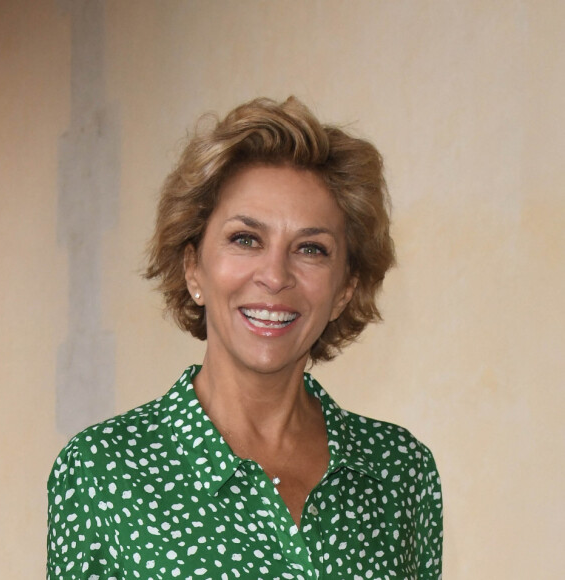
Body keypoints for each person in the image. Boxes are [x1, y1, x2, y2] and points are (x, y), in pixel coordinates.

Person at [47, 97, 443, 579]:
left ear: (344, 290)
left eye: (312, 249)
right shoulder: (102, 471)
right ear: (193, 267)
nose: (275, 275)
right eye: (246, 239)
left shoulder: (400, 472)